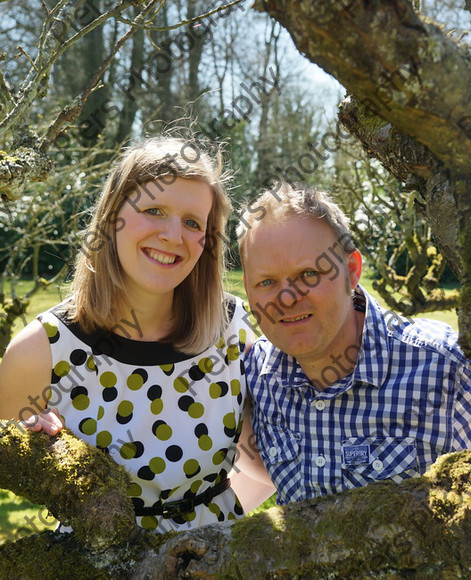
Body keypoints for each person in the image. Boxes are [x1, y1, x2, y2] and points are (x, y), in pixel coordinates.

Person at [0, 135, 271, 534]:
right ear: (112, 218)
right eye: (154, 210)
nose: (173, 235)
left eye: (193, 222)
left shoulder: (231, 329)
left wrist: (213, 523)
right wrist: (31, 446)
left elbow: (260, 462)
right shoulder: (43, 349)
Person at [237, 182, 471, 505]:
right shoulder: (252, 378)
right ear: (248, 292)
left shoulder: (448, 369)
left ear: (352, 270)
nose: (287, 298)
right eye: (266, 282)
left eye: (308, 274)